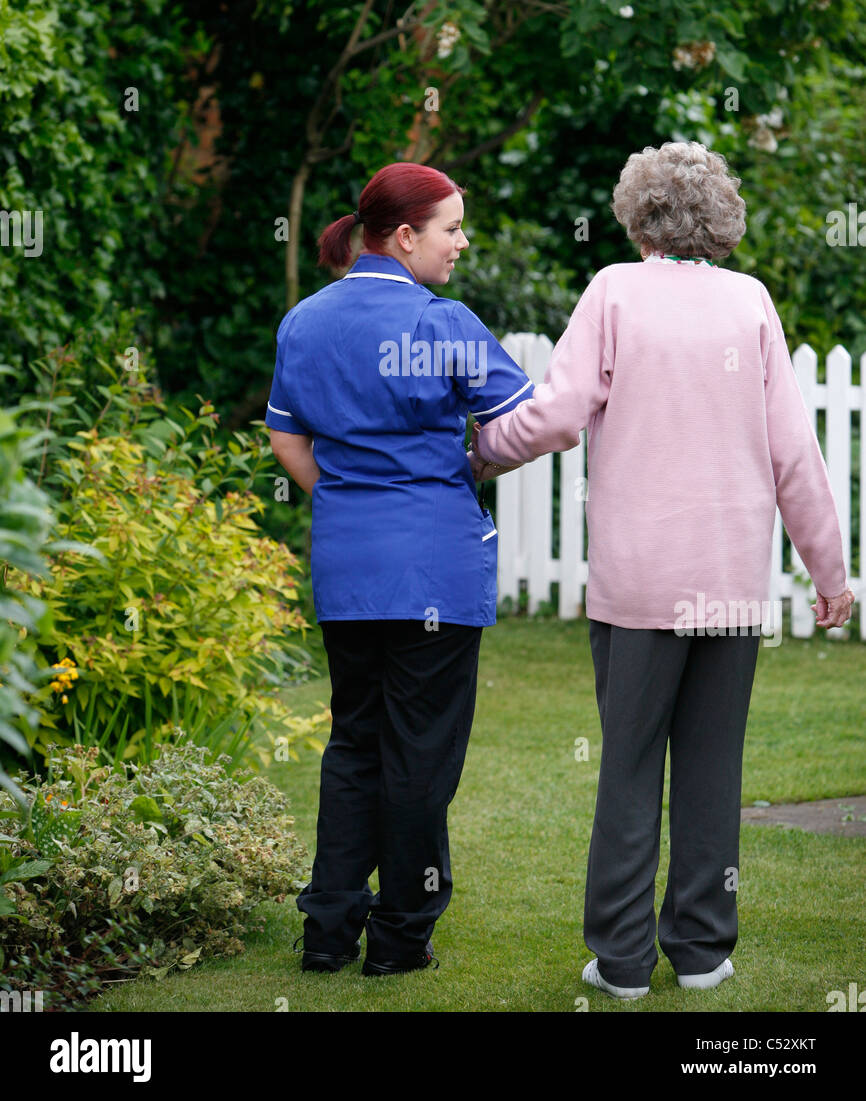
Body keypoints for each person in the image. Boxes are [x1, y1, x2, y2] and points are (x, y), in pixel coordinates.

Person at [468, 140, 854, 1000]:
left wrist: (482, 453)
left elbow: (557, 414)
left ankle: (622, 962)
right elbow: (797, 454)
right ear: (718, 219)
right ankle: (706, 953)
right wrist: (832, 577)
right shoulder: (750, 301)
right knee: (714, 772)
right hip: (728, 584)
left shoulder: (613, 291)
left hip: (638, 585)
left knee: (630, 769)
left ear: (637, 214)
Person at [266, 162, 534, 977]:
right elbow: (519, 425)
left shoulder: (305, 321)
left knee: (354, 742)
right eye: (452, 227)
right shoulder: (440, 322)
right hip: (434, 573)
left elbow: (287, 439)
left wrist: (345, 499)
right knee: (419, 756)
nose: (462, 242)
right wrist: (471, 469)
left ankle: (326, 932)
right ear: (406, 235)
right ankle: (400, 937)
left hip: (349, 566)